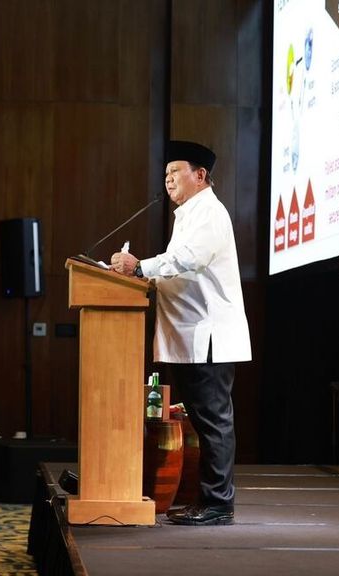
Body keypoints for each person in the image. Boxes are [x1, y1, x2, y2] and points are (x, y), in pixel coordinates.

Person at [110, 140, 251, 526]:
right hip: (189, 338)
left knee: (213, 421)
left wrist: (141, 267)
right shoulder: (189, 214)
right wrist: (146, 276)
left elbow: (187, 260)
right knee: (205, 422)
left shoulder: (209, 212)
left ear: (200, 176)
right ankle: (207, 498)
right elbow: (181, 272)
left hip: (208, 339)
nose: (168, 180)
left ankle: (219, 503)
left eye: (176, 172)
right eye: (166, 174)